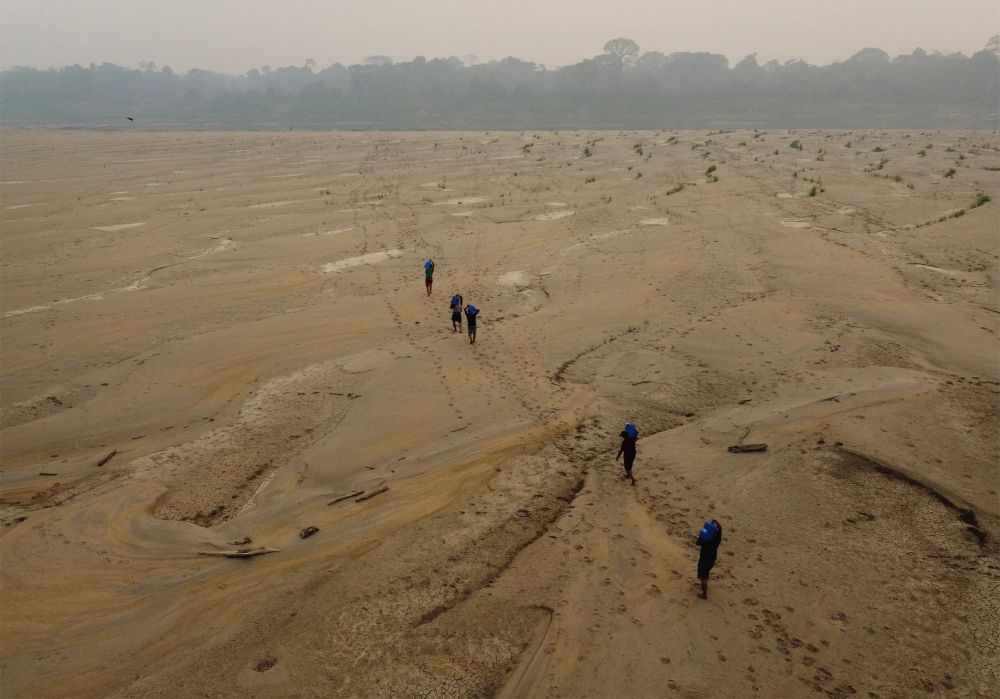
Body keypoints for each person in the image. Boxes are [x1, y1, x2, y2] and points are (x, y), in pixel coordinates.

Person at [696, 519, 723, 599]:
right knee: (706, 572)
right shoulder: (716, 540)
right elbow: (720, 529)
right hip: (712, 560)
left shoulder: (704, 540)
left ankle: (704, 594)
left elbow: (697, 543)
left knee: (702, 577)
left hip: (703, 560)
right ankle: (703, 585)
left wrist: (701, 535)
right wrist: (717, 522)